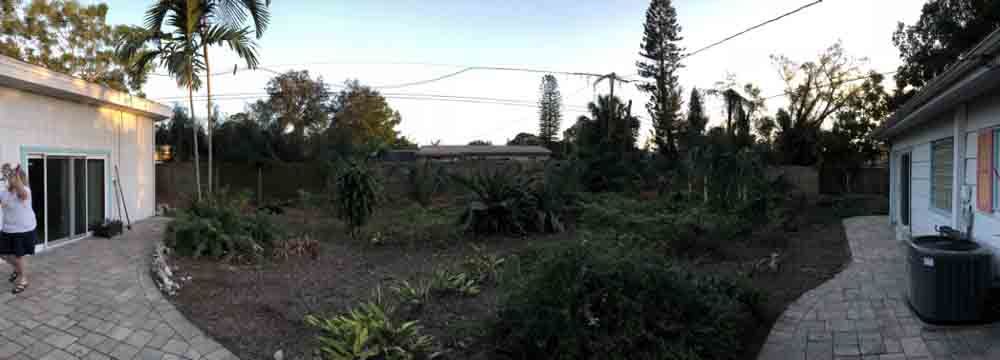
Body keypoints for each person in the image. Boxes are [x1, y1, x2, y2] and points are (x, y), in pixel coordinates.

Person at [0, 165, 36, 294]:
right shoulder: (4, 192)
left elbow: (22, 194)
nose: (9, 179)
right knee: (3, 254)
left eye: (13, 177)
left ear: (20, 178)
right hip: (7, 228)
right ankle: (18, 269)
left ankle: (23, 279)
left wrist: (16, 181)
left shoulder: (25, 190)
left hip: (23, 229)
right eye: (8, 177)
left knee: (19, 255)